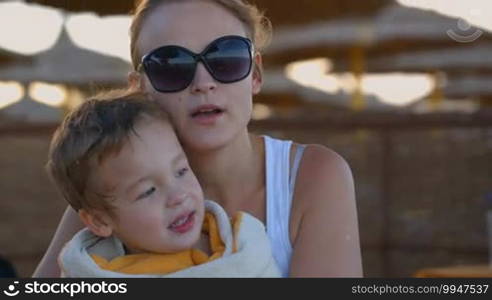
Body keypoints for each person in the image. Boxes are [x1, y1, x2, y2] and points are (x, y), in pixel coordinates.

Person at [34, 0, 362, 278]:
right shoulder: (112, 183)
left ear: (255, 74)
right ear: (140, 89)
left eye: (226, 58)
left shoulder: (310, 178)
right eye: (171, 65)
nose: (203, 82)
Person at [48, 90, 279, 277]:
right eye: (148, 191)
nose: (177, 195)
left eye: (181, 171)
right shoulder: (94, 272)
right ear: (99, 220)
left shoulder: (242, 245)